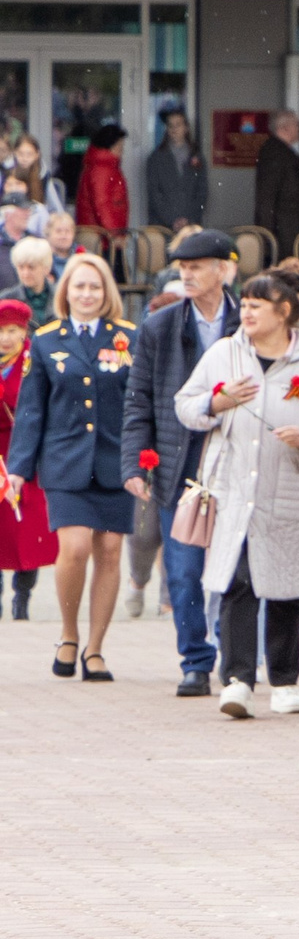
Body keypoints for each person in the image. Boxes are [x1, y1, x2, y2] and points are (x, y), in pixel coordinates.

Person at [176, 268, 299, 719]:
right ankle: (237, 679)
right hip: (235, 490)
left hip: (292, 491)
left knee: (284, 588)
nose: (249, 311)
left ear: (285, 312)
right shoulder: (224, 354)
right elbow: (185, 404)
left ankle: (285, 679)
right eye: (247, 303)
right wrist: (216, 404)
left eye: (259, 305)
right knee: (238, 582)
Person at [4, 253, 136, 681]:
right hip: (63, 461)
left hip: (115, 461)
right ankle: (68, 633)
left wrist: (144, 459)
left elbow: (139, 404)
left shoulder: (128, 338)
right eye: (79, 286)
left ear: (107, 293)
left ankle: (95, 648)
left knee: (111, 552)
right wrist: (19, 469)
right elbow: (30, 410)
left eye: (95, 287)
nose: (87, 294)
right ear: (66, 292)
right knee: (75, 548)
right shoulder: (44, 341)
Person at [118, 229, 238, 694]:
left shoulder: (248, 320)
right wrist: (133, 464)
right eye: (181, 268)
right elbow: (139, 401)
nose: (185, 275)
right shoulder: (158, 327)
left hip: (235, 461)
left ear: (224, 270)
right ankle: (195, 660)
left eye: (196, 267)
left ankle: (238, 658)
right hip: (177, 464)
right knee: (184, 572)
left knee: (235, 568)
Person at [0, 298, 58, 619]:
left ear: (24, 332)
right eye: (1, 331)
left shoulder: (33, 361)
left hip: (24, 453)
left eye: (13, 330)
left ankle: (22, 597)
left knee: (27, 530)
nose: (6, 337)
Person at [254, 111, 299, 254]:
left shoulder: (285, 153)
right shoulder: (274, 154)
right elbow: (266, 198)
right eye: (296, 124)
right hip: (283, 233)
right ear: (284, 128)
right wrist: (268, 237)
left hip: (292, 230)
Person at [72, 124, 131, 234]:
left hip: (100, 234)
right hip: (102, 237)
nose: (122, 151)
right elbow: (102, 204)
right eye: (120, 146)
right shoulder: (102, 168)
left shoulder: (101, 166)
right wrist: (114, 234)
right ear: (111, 146)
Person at [2, 234, 51, 311]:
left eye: (31, 267)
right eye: (21, 267)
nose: (25, 273)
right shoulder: (6, 300)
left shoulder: (61, 296)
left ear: (46, 268)